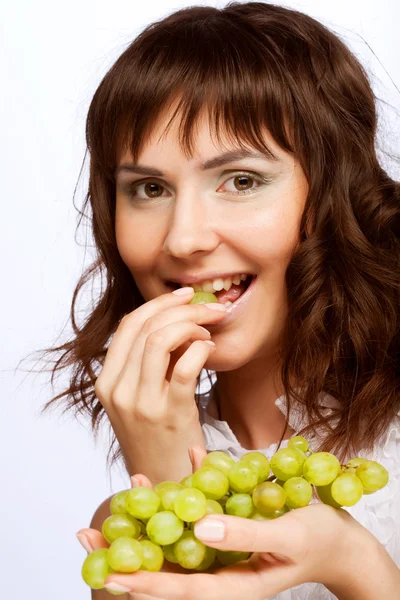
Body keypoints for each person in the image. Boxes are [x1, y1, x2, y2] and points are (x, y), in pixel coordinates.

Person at [32, 2, 399, 598]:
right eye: (149, 189)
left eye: (242, 181)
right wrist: (173, 484)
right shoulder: (128, 534)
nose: (183, 239)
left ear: (334, 195)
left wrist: (356, 563)